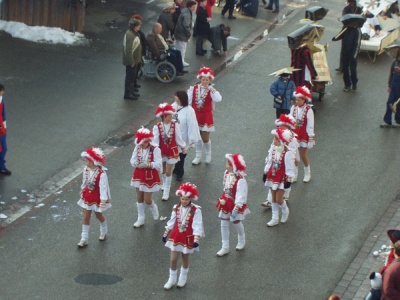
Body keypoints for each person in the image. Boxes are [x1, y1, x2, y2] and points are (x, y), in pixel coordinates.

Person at [163, 182, 204, 289]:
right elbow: (172, 221)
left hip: (188, 236)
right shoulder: (176, 207)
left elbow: (197, 225)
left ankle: (183, 277)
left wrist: (196, 239)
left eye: (186, 199)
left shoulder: (196, 210)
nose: (184, 201)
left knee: (185, 257)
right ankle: (172, 279)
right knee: (173, 259)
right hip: (176, 235)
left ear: (190, 198)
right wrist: (166, 233)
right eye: (182, 199)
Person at [262, 114, 298, 208]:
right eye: (279, 126)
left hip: (288, 159)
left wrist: (294, 160)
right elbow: (272, 147)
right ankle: (269, 200)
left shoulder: (292, 138)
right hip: (277, 160)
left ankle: (286, 195)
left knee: (287, 178)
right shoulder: (278, 136)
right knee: (272, 180)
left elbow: (293, 151)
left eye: (283, 126)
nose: (280, 127)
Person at [216, 153, 249, 256]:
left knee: (236, 221)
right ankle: (225, 246)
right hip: (225, 201)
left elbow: (240, 195)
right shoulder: (226, 173)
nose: (226, 165)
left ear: (233, 166)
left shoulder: (241, 180)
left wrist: (236, 208)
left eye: (228, 164)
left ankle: (241, 239)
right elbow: (225, 186)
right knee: (223, 222)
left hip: (234, 203)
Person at [77, 147, 111, 247]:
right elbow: (84, 181)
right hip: (88, 194)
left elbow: (103, 187)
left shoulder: (102, 174)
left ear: (93, 162)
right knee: (86, 216)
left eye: (87, 160)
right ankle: (84, 238)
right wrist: (82, 188)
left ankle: (104, 231)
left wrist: (103, 200)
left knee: (98, 215)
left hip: (97, 197)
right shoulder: (86, 169)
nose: (86, 162)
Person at [188, 67, 222, 165]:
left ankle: (208, 154)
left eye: (207, 80)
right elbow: (188, 100)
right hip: (196, 115)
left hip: (206, 115)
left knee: (205, 138)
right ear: (200, 79)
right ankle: (198, 156)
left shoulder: (211, 90)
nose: (205, 82)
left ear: (210, 80)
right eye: (203, 79)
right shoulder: (193, 89)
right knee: (197, 136)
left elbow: (218, 99)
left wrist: (213, 90)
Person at [153, 103, 186, 200]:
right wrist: (154, 150)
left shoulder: (175, 125)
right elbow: (155, 140)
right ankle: (164, 183)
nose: (171, 118)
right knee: (162, 170)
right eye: (169, 116)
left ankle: (166, 191)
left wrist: (183, 146)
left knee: (168, 171)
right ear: (163, 117)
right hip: (161, 150)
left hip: (172, 150)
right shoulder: (157, 126)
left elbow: (179, 137)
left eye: (171, 116)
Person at [130, 127, 162, 228]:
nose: (141, 146)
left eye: (143, 144)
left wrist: (148, 165)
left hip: (150, 176)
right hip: (139, 174)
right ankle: (141, 218)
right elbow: (132, 160)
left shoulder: (156, 149)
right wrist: (136, 164)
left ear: (148, 141)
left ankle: (153, 207)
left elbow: (158, 164)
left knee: (147, 199)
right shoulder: (138, 147)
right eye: (140, 144)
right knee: (139, 198)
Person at [264, 128, 295, 226]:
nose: (274, 141)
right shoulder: (273, 149)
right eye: (274, 139)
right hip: (272, 174)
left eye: (277, 140)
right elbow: (269, 161)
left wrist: (289, 179)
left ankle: (285, 210)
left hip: (282, 177)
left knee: (279, 199)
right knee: (273, 197)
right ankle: (274, 218)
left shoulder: (288, 152)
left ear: (282, 141)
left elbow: (290, 167)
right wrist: (265, 172)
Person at [172, 91, 201, 181]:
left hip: (183, 136)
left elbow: (192, 124)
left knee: (181, 155)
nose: (175, 97)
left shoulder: (189, 110)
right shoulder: (173, 106)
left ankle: (179, 172)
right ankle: (176, 169)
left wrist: (192, 138)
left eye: (176, 96)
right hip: (173, 135)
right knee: (174, 154)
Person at [290, 86, 315, 183]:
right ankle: (294, 175)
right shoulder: (293, 108)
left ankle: (307, 173)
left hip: (304, 134)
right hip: (295, 134)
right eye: (296, 100)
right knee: (295, 156)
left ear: (304, 100)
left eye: (299, 100)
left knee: (303, 154)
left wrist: (311, 138)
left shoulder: (309, 110)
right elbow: (290, 121)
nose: (297, 102)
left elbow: (310, 125)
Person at [332, 23, 361, 92]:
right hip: (345, 52)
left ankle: (354, 83)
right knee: (345, 69)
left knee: (352, 69)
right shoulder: (345, 28)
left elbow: (357, 43)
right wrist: (335, 38)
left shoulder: (357, 30)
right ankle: (347, 84)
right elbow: (340, 35)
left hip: (353, 53)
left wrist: (354, 55)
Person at [123, 18, 142, 100]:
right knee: (130, 78)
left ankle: (131, 91)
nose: (139, 27)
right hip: (132, 61)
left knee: (133, 77)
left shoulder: (133, 33)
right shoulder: (130, 35)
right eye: (138, 26)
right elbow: (128, 49)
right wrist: (131, 61)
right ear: (134, 26)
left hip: (135, 60)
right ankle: (128, 94)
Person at [174, 0, 197, 67]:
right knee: (182, 48)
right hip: (182, 34)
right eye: (193, 7)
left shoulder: (185, 11)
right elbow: (186, 25)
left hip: (178, 33)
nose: (194, 8)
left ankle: (178, 60)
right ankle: (181, 61)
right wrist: (189, 34)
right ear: (190, 7)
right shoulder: (187, 14)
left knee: (178, 47)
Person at [381, 55, 400, 128]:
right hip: (394, 86)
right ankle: (387, 121)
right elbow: (391, 75)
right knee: (389, 103)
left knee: (399, 105)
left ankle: (398, 121)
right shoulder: (394, 63)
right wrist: (389, 85)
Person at [130, 14, 146, 90]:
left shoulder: (138, 32)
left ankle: (134, 84)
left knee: (136, 71)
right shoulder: (135, 33)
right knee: (133, 73)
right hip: (137, 55)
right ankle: (132, 86)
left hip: (139, 53)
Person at [0, 84, 11, 175]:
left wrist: (4, 126)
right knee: (3, 148)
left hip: (2, 129)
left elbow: (3, 114)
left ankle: (2, 166)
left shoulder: (1, 99)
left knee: (3, 148)